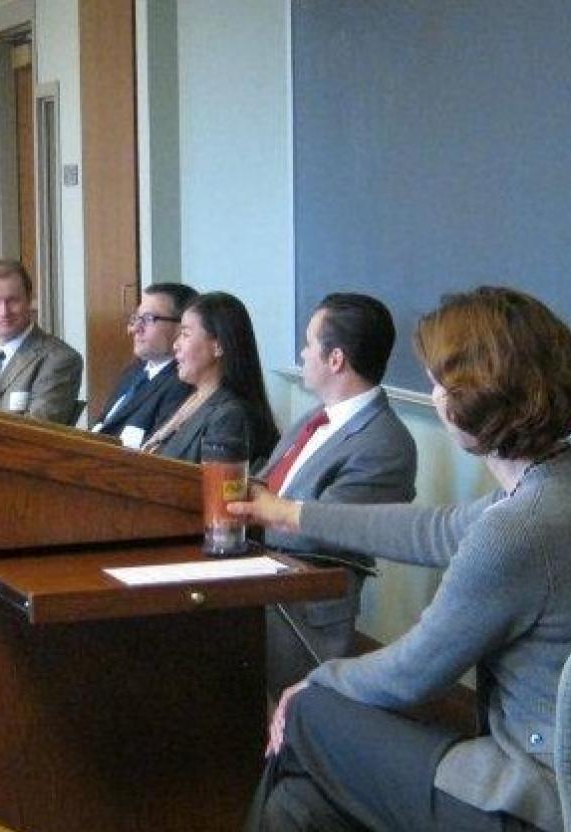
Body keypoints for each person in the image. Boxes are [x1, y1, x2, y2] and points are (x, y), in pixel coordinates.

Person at [220, 286, 571, 832]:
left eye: (436, 382)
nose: (430, 395)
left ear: (470, 395)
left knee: (311, 716)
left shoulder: (521, 530)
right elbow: (434, 528)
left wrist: (309, 685)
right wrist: (290, 515)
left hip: (542, 827)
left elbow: (407, 675)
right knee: (301, 815)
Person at [258, 292, 417, 696]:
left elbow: (324, 532)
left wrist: (247, 511)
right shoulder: (314, 418)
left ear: (335, 359)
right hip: (258, 578)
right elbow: (264, 486)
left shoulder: (384, 443)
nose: (302, 353)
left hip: (299, 606)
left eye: (309, 344)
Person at [141, 291, 279, 465]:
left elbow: (218, 489)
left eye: (185, 334)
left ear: (218, 346)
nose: (176, 345)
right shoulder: (192, 398)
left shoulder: (230, 416)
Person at [0, 259, 83, 423]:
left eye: (12, 300)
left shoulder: (59, 360)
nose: (4, 312)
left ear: (29, 300)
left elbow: (38, 432)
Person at [91, 282, 197, 446]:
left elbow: (156, 454)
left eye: (148, 319)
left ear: (180, 327)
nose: (134, 329)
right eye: (136, 318)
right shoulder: (133, 372)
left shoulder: (183, 383)